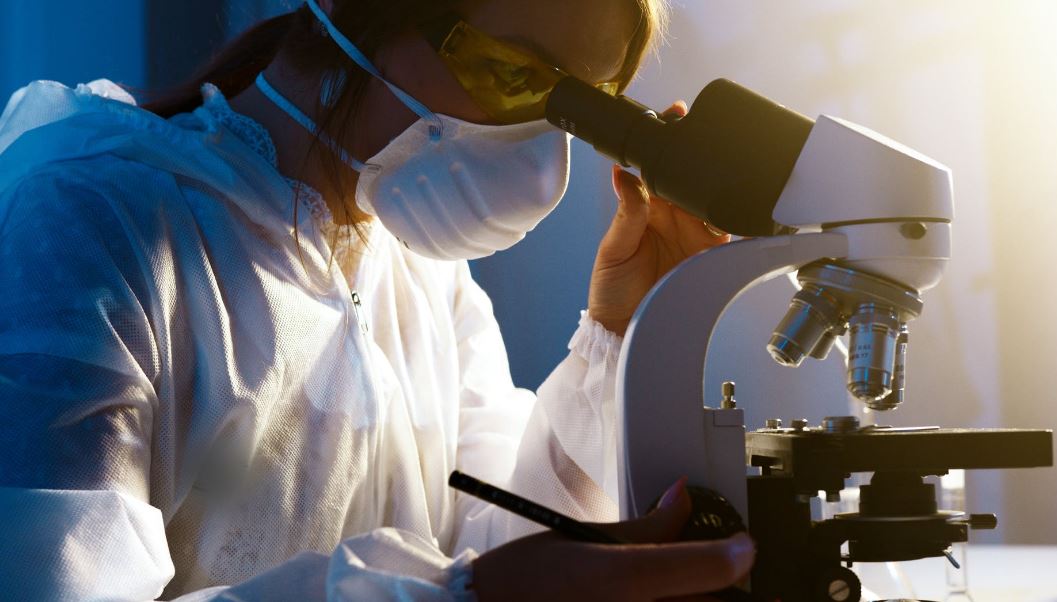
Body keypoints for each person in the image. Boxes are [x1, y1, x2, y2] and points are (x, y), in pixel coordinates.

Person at [0, 0, 750, 599]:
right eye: (516, 74)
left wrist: (615, 334)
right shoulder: (89, 223)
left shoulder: (418, 267)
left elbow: (512, 544)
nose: (538, 147)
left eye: (579, 111)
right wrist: (455, 595)